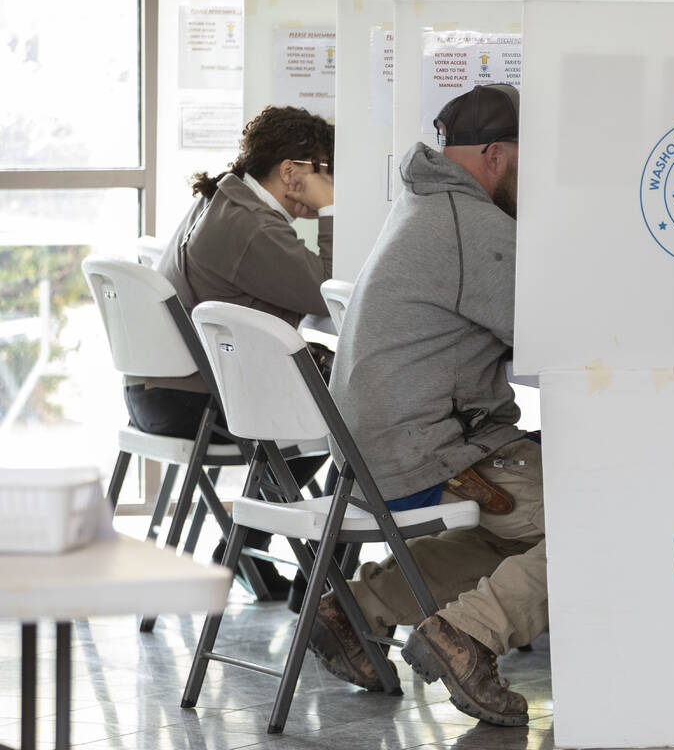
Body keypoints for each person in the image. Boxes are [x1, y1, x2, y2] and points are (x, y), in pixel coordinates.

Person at [307, 84, 543, 727]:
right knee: (602, 518)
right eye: (532, 159)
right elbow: (555, 343)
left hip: (374, 455)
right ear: (497, 155)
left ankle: (356, 609)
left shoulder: (422, 203)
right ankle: (467, 634)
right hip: (431, 455)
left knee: (513, 539)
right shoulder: (476, 227)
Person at [124, 105, 337, 600]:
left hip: (163, 393)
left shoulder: (223, 198)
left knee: (325, 405)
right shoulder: (254, 227)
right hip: (194, 402)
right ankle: (322, 591)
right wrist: (332, 210)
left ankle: (248, 551)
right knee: (352, 411)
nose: (330, 185)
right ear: (291, 172)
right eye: (325, 173)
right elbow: (327, 289)